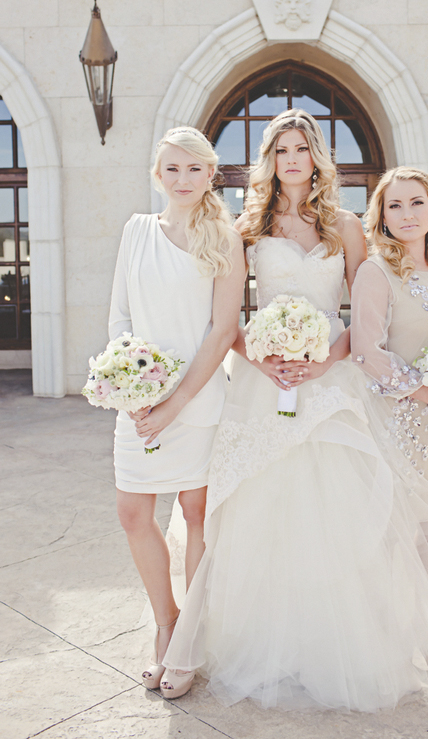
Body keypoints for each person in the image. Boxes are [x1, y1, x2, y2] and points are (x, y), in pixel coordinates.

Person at [160, 110, 428, 709]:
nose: (292, 159)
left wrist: (324, 363)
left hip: (330, 383)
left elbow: (360, 312)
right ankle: (246, 639)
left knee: (335, 512)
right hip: (261, 382)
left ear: (317, 158)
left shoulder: (346, 226)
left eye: (302, 148)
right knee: (255, 508)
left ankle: (340, 642)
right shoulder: (246, 226)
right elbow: (227, 319)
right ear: (268, 160)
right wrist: (262, 356)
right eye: (281, 149)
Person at [108, 126, 245, 690]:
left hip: (200, 398)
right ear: (156, 175)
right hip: (141, 401)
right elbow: (119, 315)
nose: (183, 179)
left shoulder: (224, 236)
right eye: (172, 169)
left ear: (210, 174)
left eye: (194, 169)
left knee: (195, 516)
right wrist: (132, 386)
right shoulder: (136, 232)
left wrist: (177, 400)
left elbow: (222, 330)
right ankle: (165, 623)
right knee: (133, 514)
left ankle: (188, 641)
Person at [351, 166, 428, 582]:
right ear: (382, 217)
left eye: (416, 202)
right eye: (395, 205)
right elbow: (367, 353)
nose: (407, 213)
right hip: (399, 427)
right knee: (399, 533)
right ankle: (394, 642)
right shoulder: (375, 272)